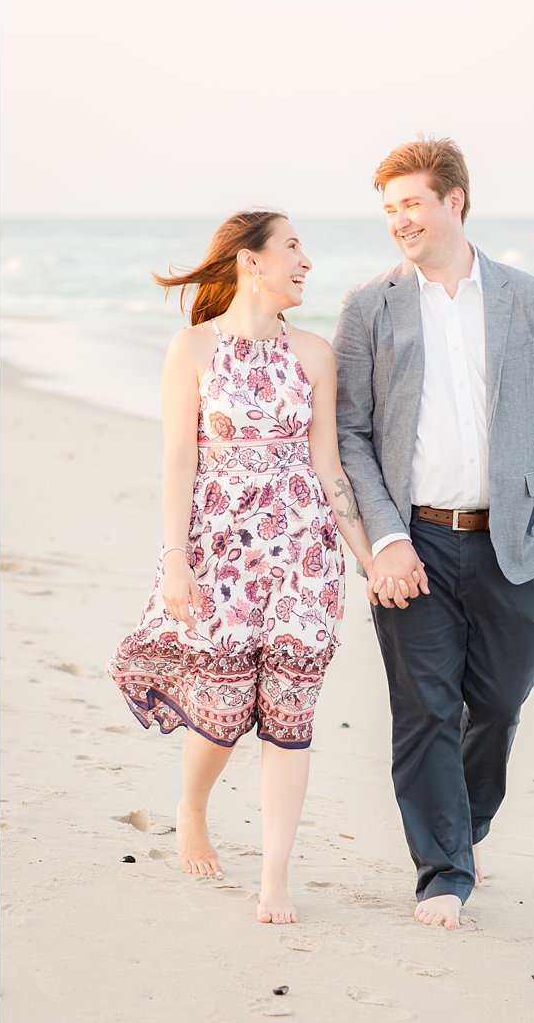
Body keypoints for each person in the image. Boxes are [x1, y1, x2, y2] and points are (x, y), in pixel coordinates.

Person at [332, 137, 534, 930]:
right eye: (388, 209)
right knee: (424, 708)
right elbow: (350, 434)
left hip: (513, 544)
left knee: (501, 703)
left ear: (455, 201)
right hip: (415, 545)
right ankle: (443, 871)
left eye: (410, 202)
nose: (399, 220)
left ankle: (466, 825)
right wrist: (385, 539)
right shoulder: (368, 304)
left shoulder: (528, 298)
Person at [108, 210, 379, 925]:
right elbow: (178, 459)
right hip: (221, 557)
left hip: (305, 560)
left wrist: (370, 556)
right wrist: (175, 560)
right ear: (250, 260)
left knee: (290, 716)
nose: (306, 262)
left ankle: (274, 877)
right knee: (222, 710)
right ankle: (192, 804)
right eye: (293, 247)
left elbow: (330, 470)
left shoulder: (315, 353)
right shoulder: (192, 349)